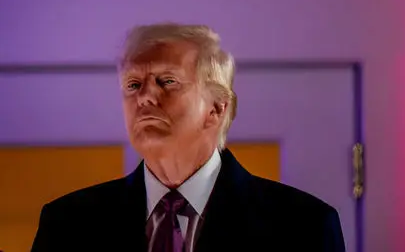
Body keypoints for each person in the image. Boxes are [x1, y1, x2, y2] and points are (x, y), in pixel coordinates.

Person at [31, 23, 345, 252]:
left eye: (167, 81)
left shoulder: (304, 226)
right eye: (133, 85)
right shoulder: (67, 224)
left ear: (216, 108)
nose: (144, 97)